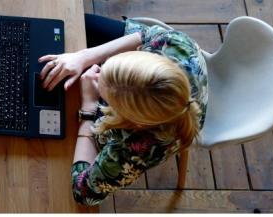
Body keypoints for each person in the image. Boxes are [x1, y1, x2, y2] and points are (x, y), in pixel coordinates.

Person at [38, 15, 208, 206]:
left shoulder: (135, 149)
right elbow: (144, 34)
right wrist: (83, 56)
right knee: (74, 24)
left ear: (132, 121)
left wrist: (89, 108)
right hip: (169, 99)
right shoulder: (177, 44)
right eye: (106, 68)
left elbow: (83, 193)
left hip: (150, 130)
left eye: (107, 97)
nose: (96, 71)